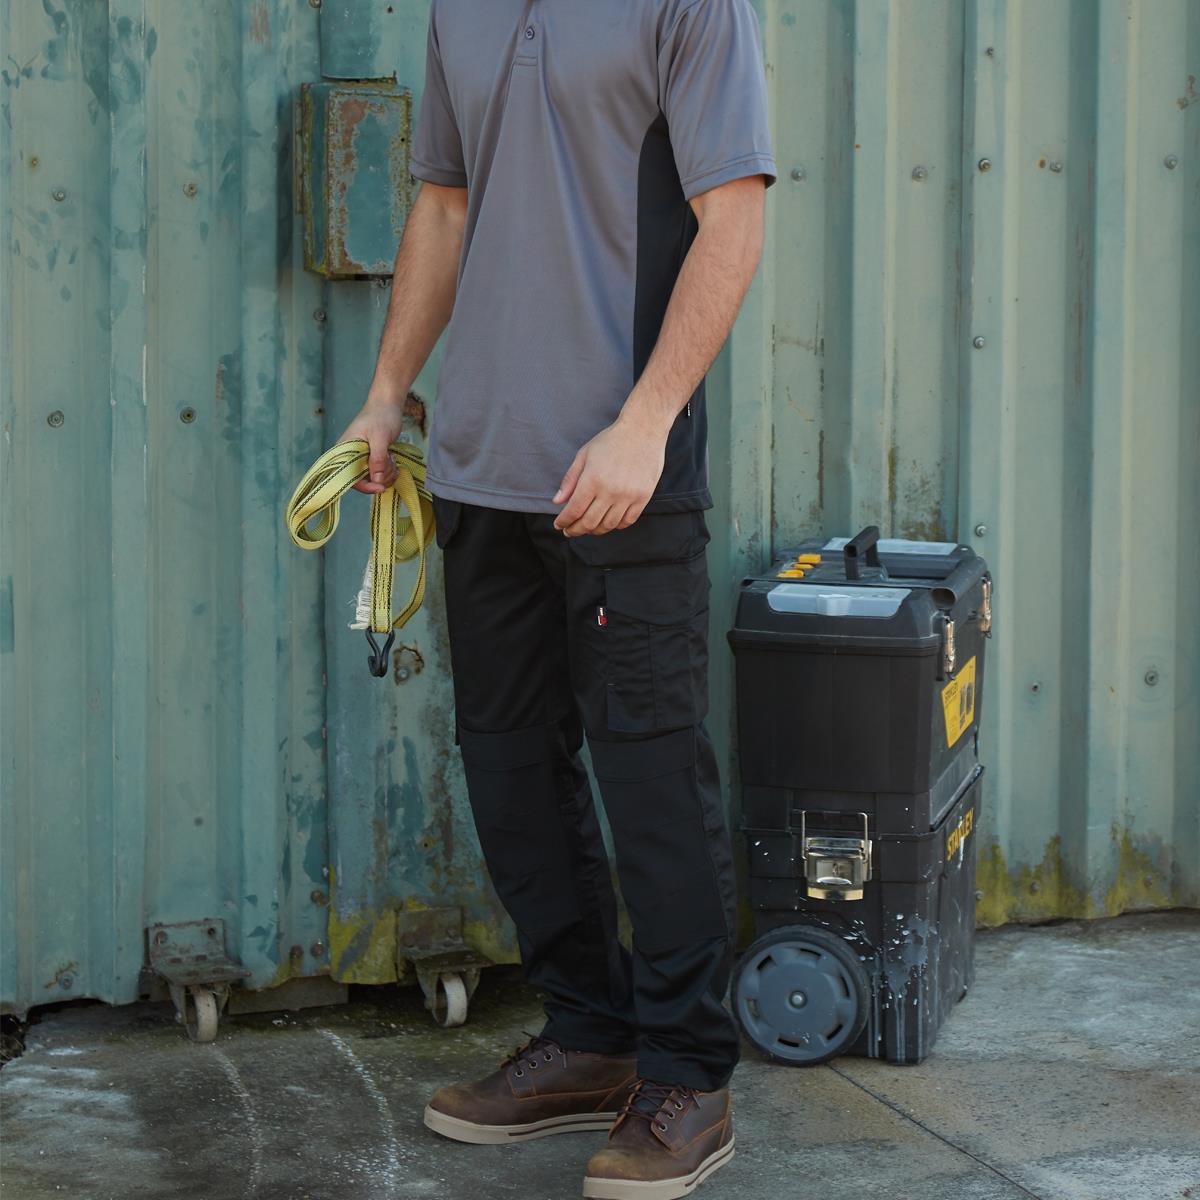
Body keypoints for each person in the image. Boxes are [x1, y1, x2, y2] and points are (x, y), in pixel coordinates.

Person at [338, 2, 775, 1195]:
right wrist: (387, 390)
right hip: (480, 468)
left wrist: (647, 422)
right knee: (509, 766)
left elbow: (732, 216)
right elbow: (444, 204)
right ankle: (588, 1036)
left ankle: (687, 1074)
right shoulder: (462, 10)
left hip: (621, 475)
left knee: (651, 774)